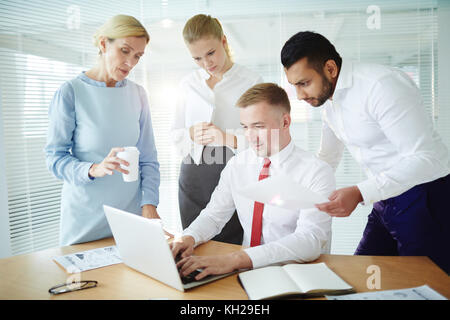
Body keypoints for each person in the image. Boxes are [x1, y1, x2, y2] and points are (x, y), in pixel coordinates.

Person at [281, 31, 450, 273]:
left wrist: (360, 192)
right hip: (384, 199)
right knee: (364, 276)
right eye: (294, 86)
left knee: (425, 285)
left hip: (425, 197)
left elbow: (426, 158)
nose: (299, 96)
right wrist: (298, 191)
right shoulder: (330, 103)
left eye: (304, 83)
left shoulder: (381, 86)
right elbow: (328, 157)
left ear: (330, 68)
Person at [171, 83, 335, 280]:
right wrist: (189, 236)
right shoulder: (237, 165)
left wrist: (235, 259)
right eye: (245, 127)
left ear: (285, 122)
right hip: (247, 273)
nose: (250, 137)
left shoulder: (316, 171)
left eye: (258, 127)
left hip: (297, 273)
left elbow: (310, 240)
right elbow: (214, 215)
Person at [45, 15, 161, 246]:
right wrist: (93, 169)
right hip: (84, 220)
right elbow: (54, 158)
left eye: (138, 56)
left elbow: (148, 158)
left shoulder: (138, 94)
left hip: (130, 219)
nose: (131, 62)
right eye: (125, 51)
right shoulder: (71, 92)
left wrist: (149, 204)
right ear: (103, 44)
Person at [171, 14, 263, 245]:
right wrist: (190, 134)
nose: (206, 63)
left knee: (231, 246)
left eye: (210, 53)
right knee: (193, 244)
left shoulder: (251, 81)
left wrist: (226, 138)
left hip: (235, 173)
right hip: (193, 174)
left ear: (224, 41)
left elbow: (263, 137)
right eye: (197, 58)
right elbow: (175, 135)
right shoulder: (187, 84)